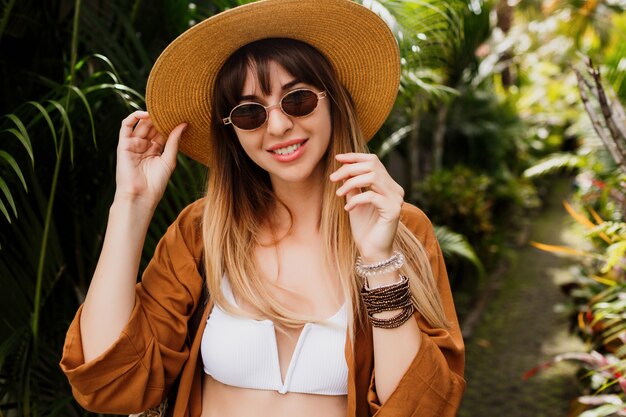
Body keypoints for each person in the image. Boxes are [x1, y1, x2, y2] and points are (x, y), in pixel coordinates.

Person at [60, 0, 465, 416]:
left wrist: (380, 263)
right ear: (231, 129)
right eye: (250, 112)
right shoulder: (203, 231)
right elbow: (110, 383)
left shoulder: (401, 229)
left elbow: (422, 408)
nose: (277, 126)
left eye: (298, 99)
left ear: (334, 101)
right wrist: (132, 203)